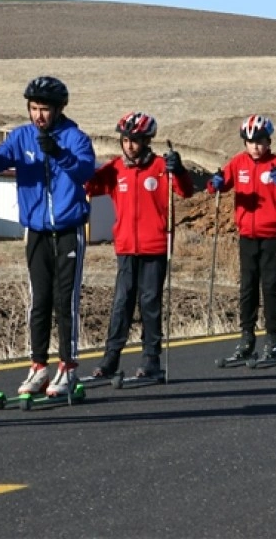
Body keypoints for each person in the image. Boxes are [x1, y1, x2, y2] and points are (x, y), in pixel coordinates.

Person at [0, 77, 96, 397]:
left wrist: (58, 153)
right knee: (39, 300)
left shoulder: (76, 138)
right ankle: (38, 366)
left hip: (69, 230)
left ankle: (67, 368)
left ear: (58, 109)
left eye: (44, 109)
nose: (38, 115)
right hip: (36, 230)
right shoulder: (21, 137)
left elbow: (85, 172)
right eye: (33, 108)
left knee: (64, 300)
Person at [85, 111, 193, 380]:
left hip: (155, 246)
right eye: (125, 140)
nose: (129, 145)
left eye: (135, 140)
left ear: (147, 140)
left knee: (150, 302)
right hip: (125, 247)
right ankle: (110, 359)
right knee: (122, 302)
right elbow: (89, 185)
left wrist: (177, 169)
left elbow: (186, 190)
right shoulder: (116, 169)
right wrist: (80, 163)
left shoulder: (160, 167)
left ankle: (151, 358)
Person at [206, 114, 276, 364]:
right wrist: (214, 183)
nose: (255, 146)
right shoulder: (238, 163)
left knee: (270, 287)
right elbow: (219, 184)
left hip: (271, 235)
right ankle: (246, 338)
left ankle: (273, 340)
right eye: (250, 141)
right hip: (247, 236)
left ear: (268, 141)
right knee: (247, 289)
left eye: (260, 141)